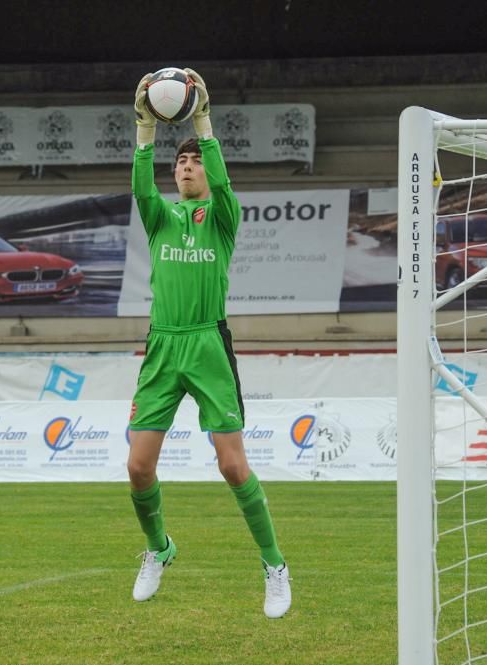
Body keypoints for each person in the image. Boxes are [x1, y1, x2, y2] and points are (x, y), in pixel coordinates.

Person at [126, 69, 292, 618]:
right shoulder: (159, 217)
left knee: (232, 466)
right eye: (181, 161)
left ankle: (274, 565)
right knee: (138, 468)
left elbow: (223, 184)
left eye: (193, 160)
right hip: (162, 346)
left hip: (207, 345)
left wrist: (201, 119)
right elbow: (140, 185)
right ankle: (159, 548)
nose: (186, 166)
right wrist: (146, 128)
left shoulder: (222, 217)